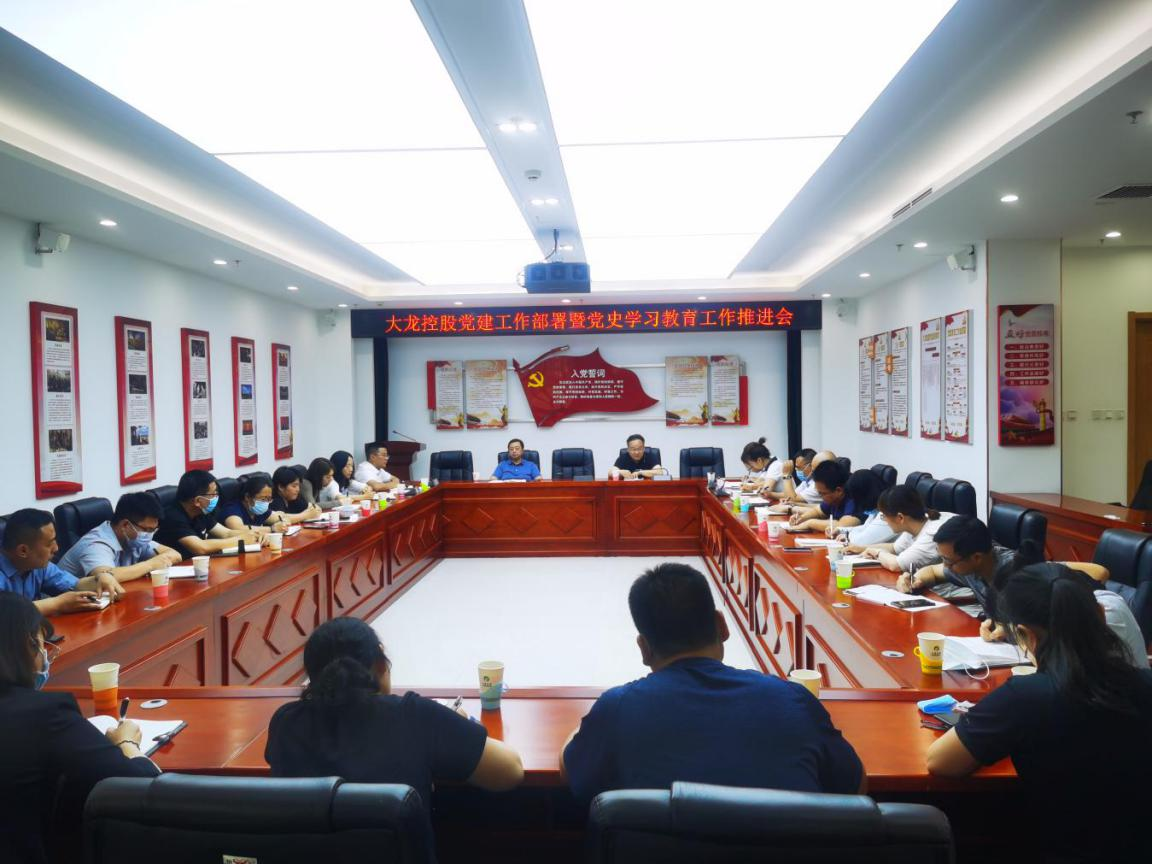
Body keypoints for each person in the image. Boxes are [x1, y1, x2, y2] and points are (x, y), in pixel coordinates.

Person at [561, 563, 863, 805]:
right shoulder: (792, 700)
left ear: (644, 649)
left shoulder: (617, 708)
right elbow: (854, 786)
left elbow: (572, 775)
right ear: (722, 626)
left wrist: (585, 727)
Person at [926, 564, 1152, 860]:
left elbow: (941, 762)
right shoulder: (1146, 682)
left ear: (1023, 634)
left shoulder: (1024, 696)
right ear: (1100, 615)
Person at [265, 617, 523, 812]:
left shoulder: (286, 723)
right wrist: (456, 722)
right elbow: (510, 771)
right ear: (380, 663)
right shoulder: (414, 715)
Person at [0, 593, 159, 864]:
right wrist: (127, 743)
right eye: (43, 644)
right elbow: (141, 784)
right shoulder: (45, 714)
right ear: (28, 646)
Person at [901, 519, 1148, 667]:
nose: (947, 566)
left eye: (950, 560)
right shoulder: (974, 569)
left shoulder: (1097, 613)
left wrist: (1015, 634)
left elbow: (1099, 571)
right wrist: (1005, 628)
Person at [0, 509, 120, 616]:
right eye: (49, 544)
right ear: (23, 551)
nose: (56, 548)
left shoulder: (37, 565)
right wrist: (56, 604)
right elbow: (6, 613)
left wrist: (99, 579)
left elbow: (75, 585)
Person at [57, 493, 184, 588]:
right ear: (125, 525)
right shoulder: (96, 544)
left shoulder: (134, 538)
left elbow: (175, 555)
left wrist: (158, 562)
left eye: (153, 530)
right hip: (66, 608)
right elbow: (106, 577)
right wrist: (150, 565)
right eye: (147, 530)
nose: (149, 535)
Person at [154, 470, 263, 558]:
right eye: (213, 494)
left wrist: (255, 535)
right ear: (197, 501)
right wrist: (241, 540)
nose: (216, 497)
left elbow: (226, 533)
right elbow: (201, 548)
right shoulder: (173, 517)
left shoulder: (201, 511)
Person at [853, 486, 951, 573]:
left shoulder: (932, 534)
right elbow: (894, 548)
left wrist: (877, 552)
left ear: (900, 517)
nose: (885, 520)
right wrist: (861, 548)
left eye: (884, 516)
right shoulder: (917, 521)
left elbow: (896, 565)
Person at [787, 462, 868, 533]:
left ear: (838, 491)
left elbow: (843, 525)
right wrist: (802, 518)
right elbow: (818, 512)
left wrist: (810, 523)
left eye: (822, 494)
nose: (821, 497)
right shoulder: (833, 497)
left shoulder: (853, 498)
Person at [219, 474, 290, 533]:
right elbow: (238, 529)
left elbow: (279, 517)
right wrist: (272, 529)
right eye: (263, 499)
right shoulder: (232, 509)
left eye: (268, 499)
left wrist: (284, 521)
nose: (265, 503)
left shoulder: (259, 511)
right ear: (247, 497)